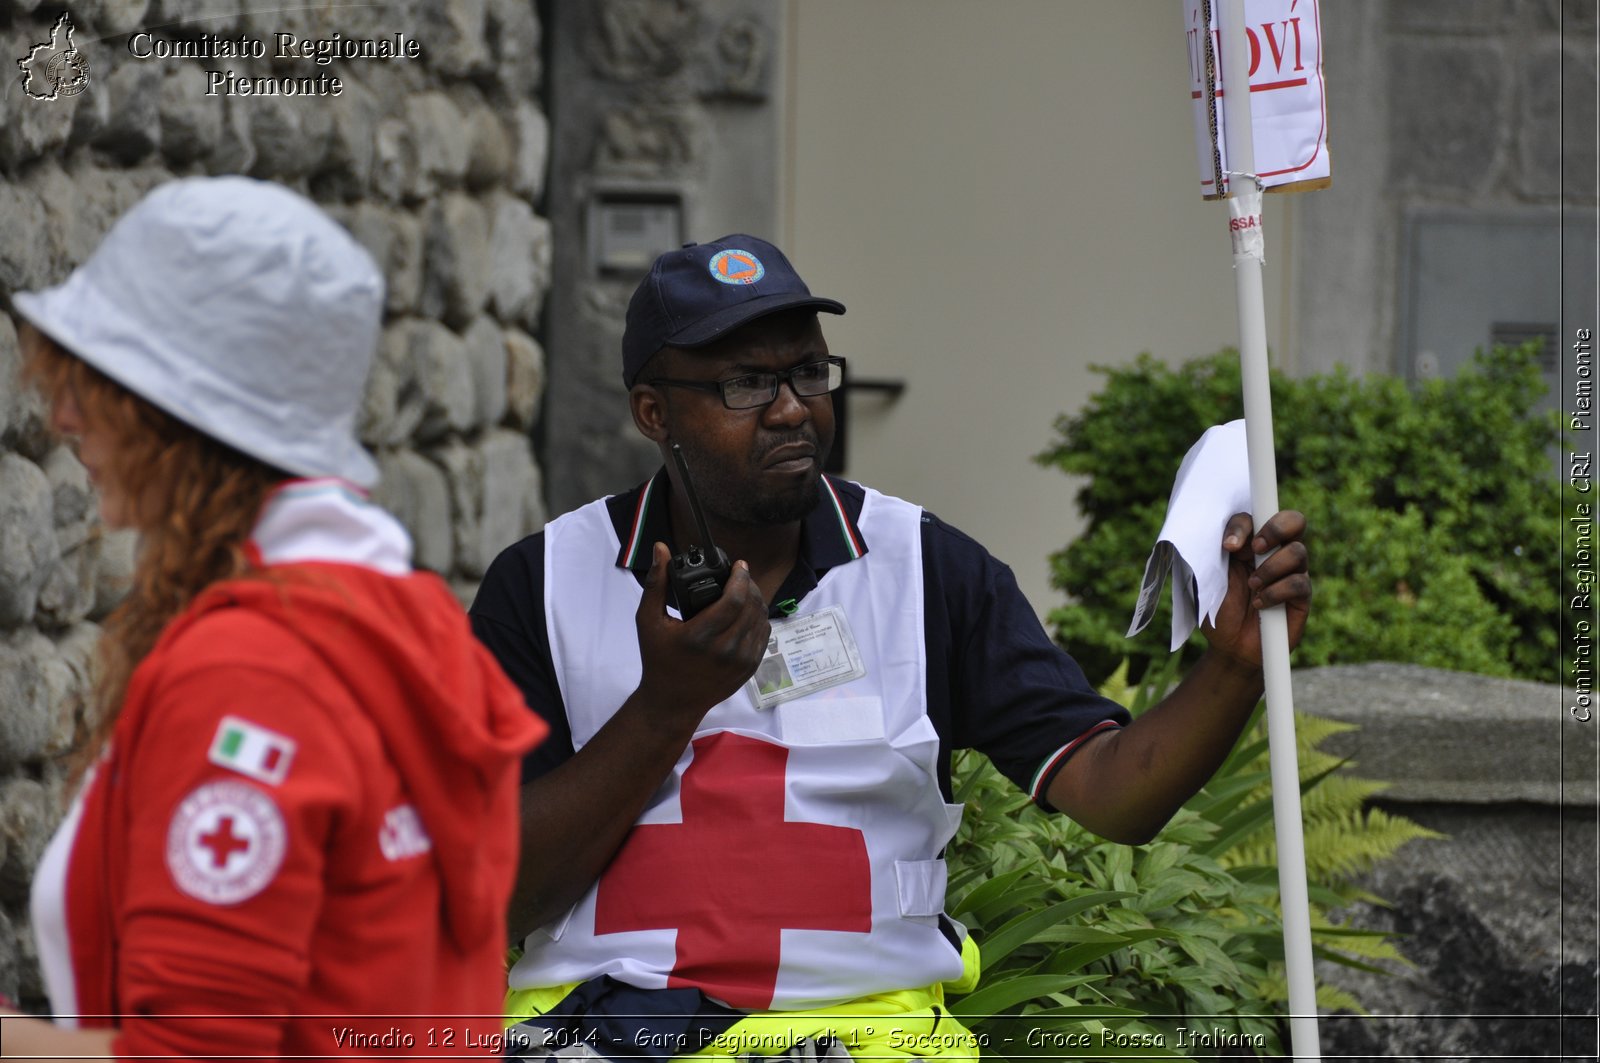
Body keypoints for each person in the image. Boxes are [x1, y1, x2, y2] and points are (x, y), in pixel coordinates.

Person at [469, 235, 1311, 1060]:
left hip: (869, 1035)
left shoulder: (932, 568)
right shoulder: (540, 584)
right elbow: (495, 896)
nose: (793, 407)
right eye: (746, 383)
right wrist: (666, 705)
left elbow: (1113, 790)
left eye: (807, 371)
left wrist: (1234, 665)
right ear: (654, 411)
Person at [0, 177, 546, 1059]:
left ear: (178, 416)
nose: (61, 417)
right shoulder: (397, 611)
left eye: (95, 382)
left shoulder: (249, 671)